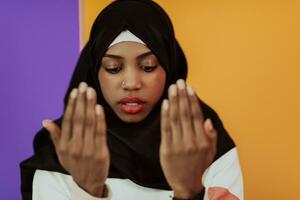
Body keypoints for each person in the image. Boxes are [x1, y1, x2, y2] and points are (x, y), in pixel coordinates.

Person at [20, 0, 243, 199]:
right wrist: (86, 189)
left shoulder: (205, 144)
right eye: (113, 68)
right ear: (94, 73)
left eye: (148, 67)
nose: (131, 83)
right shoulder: (67, 152)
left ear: (169, 67)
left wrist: (189, 193)